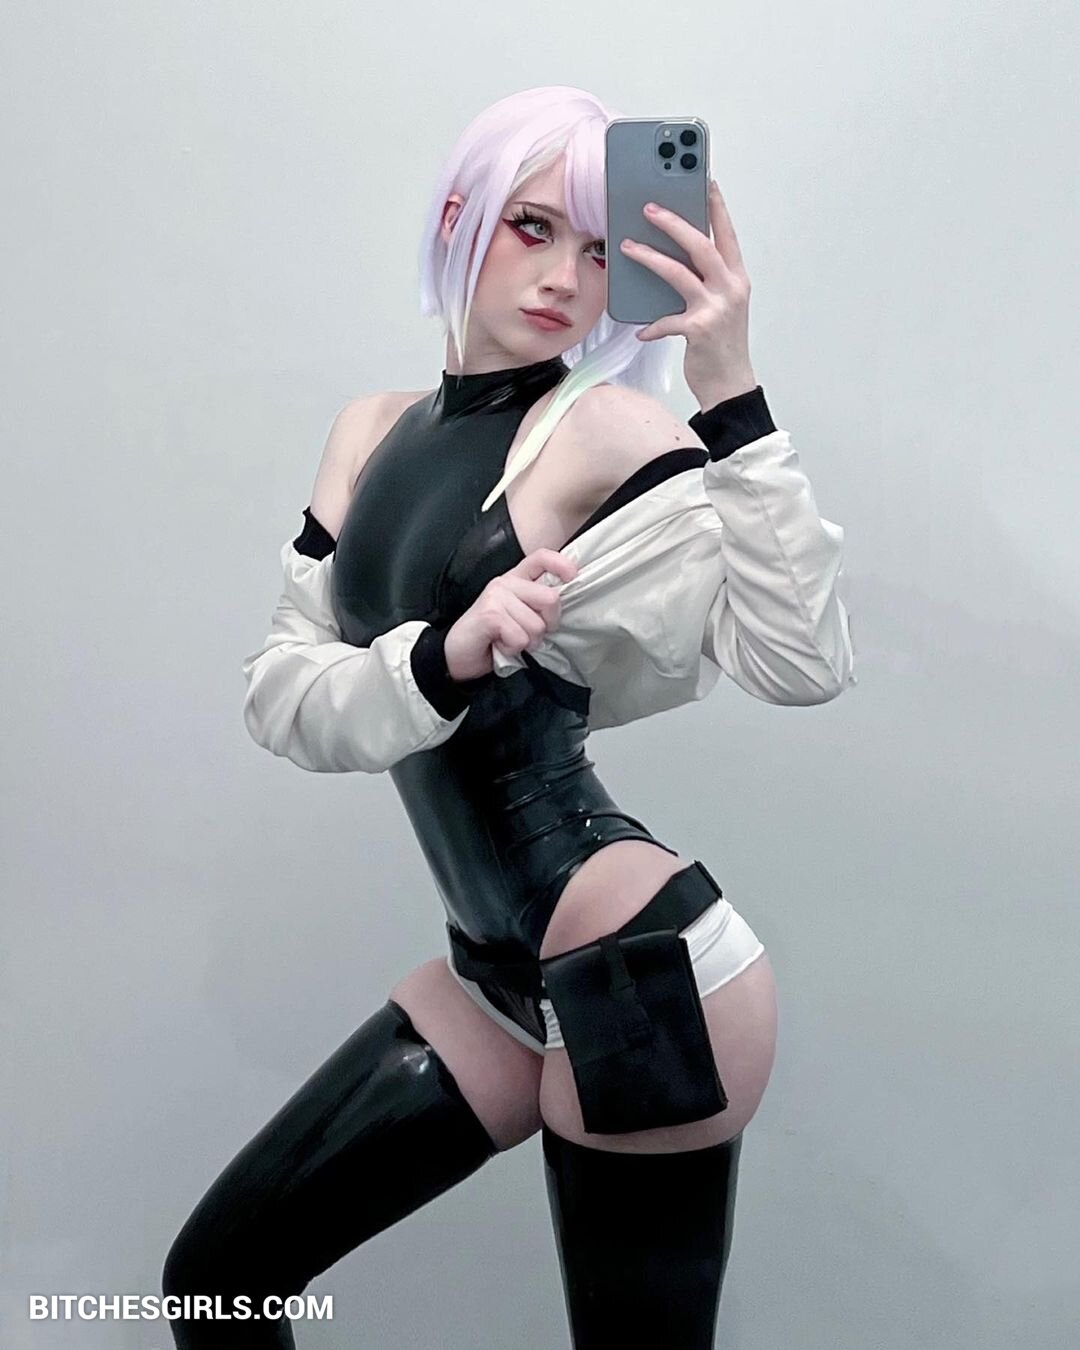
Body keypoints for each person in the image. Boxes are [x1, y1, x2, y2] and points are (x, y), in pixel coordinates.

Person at [162, 85, 856, 1348]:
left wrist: (729, 384)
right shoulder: (369, 434)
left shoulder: (602, 430)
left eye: (599, 252)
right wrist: (445, 656)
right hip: (492, 974)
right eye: (533, 227)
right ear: (460, 217)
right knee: (218, 1281)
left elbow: (799, 660)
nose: (563, 279)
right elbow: (282, 697)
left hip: (636, 959)